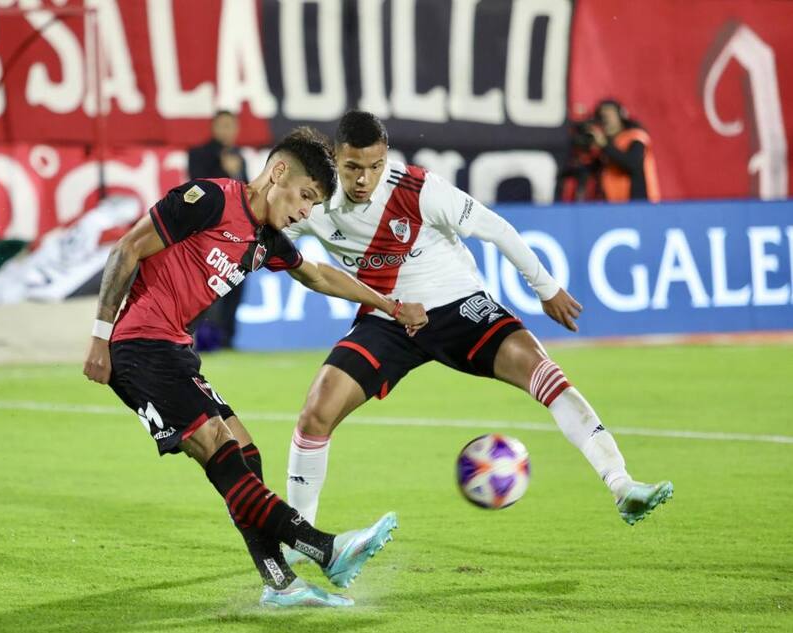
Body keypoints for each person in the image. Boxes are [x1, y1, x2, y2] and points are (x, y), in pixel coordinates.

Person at [281, 111, 673, 554]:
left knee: (544, 372)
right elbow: (264, 227)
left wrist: (545, 287)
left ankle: (622, 484)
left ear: (386, 157)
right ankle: (300, 541)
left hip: (456, 305)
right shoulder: (316, 200)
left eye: (374, 167)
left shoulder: (418, 189)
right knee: (316, 412)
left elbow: (497, 230)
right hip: (388, 318)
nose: (363, 180)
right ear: (336, 158)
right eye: (352, 168)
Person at [82, 127, 428, 608]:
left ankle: (279, 583)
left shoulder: (266, 238)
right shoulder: (206, 200)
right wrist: (100, 339)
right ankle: (326, 550)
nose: (306, 211)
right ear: (278, 172)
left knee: (245, 455)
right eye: (305, 196)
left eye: (314, 204)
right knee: (222, 451)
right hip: (140, 347)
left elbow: (318, 274)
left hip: (174, 350)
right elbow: (127, 249)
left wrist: (389, 304)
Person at [187, 111, 249, 349]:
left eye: (231, 126)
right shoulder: (199, 154)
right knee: (211, 289)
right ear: (213, 127)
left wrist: (236, 172)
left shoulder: (238, 157)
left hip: (237, 236)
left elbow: (247, 193)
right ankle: (207, 340)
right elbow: (198, 188)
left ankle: (228, 339)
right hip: (209, 234)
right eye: (222, 126)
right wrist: (225, 172)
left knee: (236, 285)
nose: (227, 131)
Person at [588, 99, 660, 202]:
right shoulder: (605, 142)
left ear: (620, 116)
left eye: (609, 116)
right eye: (602, 117)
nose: (605, 121)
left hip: (636, 202)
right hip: (612, 203)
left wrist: (605, 146)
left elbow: (632, 163)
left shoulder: (635, 137)